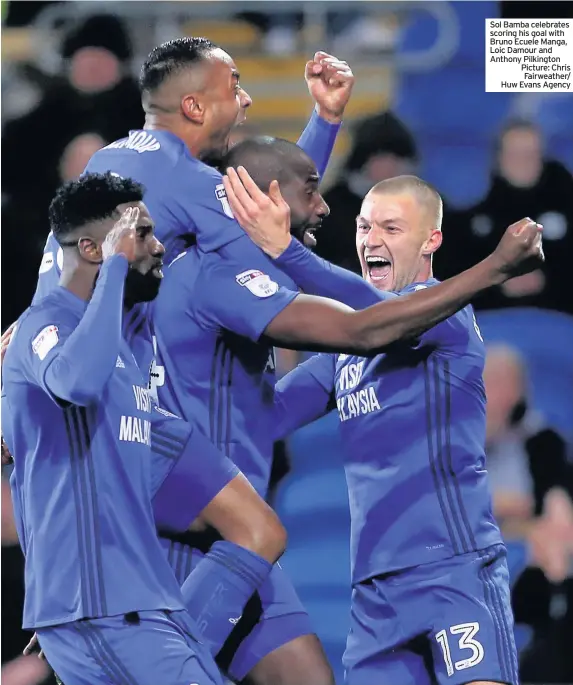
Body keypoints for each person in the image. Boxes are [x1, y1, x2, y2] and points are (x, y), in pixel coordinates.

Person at [222, 163, 545, 685]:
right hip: (375, 593)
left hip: (454, 571)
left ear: (430, 240)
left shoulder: (446, 315)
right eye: (364, 227)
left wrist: (287, 253)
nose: (371, 239)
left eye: (391, 229)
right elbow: (269, 417)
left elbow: (373, 315)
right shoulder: (345, 352)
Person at [2, 173, 292, 684]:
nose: (157, 247)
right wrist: (115, 265)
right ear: (94, 248)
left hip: (129, 610)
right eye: (141, 234)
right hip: (106, 612)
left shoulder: (122, 351)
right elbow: (76, 383)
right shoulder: (45, 327)